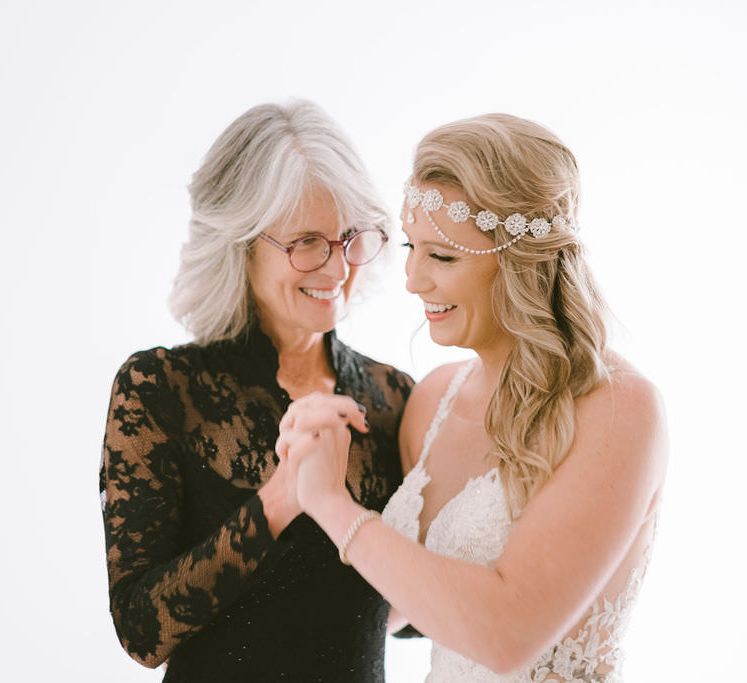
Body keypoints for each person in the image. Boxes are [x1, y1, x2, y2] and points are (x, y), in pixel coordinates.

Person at [276, 113, 668, 681]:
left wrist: (336, 507)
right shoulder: (431, 402)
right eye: (413, 247)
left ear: (520, 265)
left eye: (442, 256)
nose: (412, 279)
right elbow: (404, 607)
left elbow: (505, 635)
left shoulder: (618, 409)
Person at [98, 100, 413, 682]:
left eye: (350, 238)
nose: (338, 267)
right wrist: (279, 500)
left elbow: (415, 615)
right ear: (240, 243)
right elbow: (141, 633)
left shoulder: (395, 397)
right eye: (307, 242)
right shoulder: (160, 388)